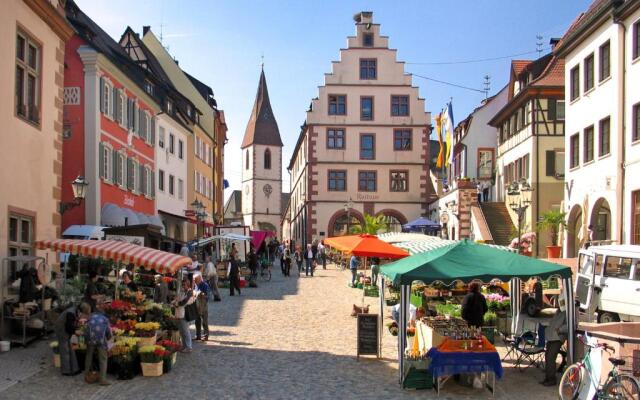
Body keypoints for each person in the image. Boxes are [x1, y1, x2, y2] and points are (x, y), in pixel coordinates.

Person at [54, 302, 91, 376]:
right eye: (85, 314)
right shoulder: (70, 313)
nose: (86, 316)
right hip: (61, 329)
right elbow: (69, 327)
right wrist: (76, 331)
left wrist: (76, 329)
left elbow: (72, 324)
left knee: (71, 348)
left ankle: (75, 368)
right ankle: (66, 371)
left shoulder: (76, 310)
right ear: (82, 311)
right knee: (65, 349)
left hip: (66, 327)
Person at [541, 300, 568, 386]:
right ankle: (548, 378)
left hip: (557, 337)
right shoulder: (559, 311)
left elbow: (569, 325)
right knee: (548, 357)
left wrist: (559, 330)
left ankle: (552, 379)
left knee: (551, 357)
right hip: (551, 337)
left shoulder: (567, 312)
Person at [84, 310, 112, 385]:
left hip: (91, 340)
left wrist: (86, 341)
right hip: (101, 340)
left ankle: (86, 375)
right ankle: (102, 380)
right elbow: (109, 332)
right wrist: (108, 339)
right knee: (103, 359)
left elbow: (86, 331)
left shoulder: (90, 318)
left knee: (89, 356)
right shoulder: (105, 319)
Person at [173, 278, 196, 352]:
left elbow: (184, 302)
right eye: (182, 285)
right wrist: (174, 302)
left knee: (186, 331)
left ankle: (189, 347)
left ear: (188, 285)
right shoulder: (183, 292)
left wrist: (176, 303)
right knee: (182, 331)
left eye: (184, 285)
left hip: (185, 315)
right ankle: (184, 346)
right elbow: (177, 299)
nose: (183, 286)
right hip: (180, 314)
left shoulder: (190, 292)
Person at [193, 274, 210, 341]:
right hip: (196, 305)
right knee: (197, 321)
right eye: (194, 280)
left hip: (203, 305)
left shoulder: (204, 285)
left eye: (195, 280)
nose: (194, 281)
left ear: (200, 279)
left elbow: (207, 295)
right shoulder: (195, 285)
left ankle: (206, 335)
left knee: (204, 321)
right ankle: (198, 335)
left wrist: (202, 294)